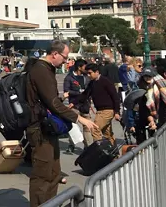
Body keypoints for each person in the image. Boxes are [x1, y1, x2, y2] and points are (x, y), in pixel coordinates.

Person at [25, 41, 98, 207]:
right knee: (43, 174)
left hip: (46, 127)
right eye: (65, 57)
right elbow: (53, 103)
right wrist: (79, 119)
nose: (66, 61)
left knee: (53, 171)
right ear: (55, 54)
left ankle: (51, 203)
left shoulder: (45, 69)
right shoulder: (41, 70)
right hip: (39, 127)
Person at [81, 63, 121, 145]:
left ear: (97, 72)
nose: (88, 75)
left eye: (90, 73)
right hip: (99, 111)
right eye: (87, 73)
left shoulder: (105, 81)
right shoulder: (92, 83)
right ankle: (114, 155)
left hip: (107, 110)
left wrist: (117, 111)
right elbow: (85, 95)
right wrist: (73, 102)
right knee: (107, 134)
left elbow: (115, 97)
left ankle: (99, 151)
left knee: (95, 129)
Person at [63, 59, 89, 151]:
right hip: (74, 105)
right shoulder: (69, 77)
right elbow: (66, 91)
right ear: (79, 67)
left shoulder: (86, 77)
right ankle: (71, 144)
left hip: (85, 104)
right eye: (84, 67)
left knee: (87, 127)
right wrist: (78, 92)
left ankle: (88, 146)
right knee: (73, 125)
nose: (86, 69)